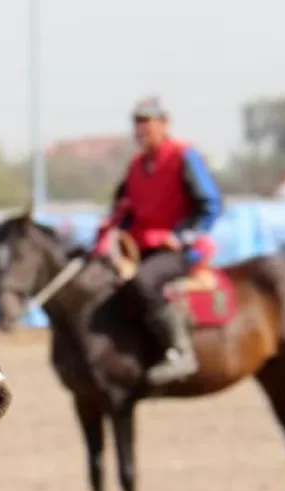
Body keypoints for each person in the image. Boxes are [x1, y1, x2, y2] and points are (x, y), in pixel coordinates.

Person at [92, 96, 223, 384]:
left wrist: (182, 237)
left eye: (147, 122)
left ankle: (181, 350)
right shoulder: (136, 166)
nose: (141, 130)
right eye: (137, 123)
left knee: (143, 282)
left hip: (177, 251)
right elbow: (124, 211)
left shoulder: (183, 156)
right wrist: (111, 235)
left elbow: (211, 204)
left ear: (164, 124)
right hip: (141, 249)